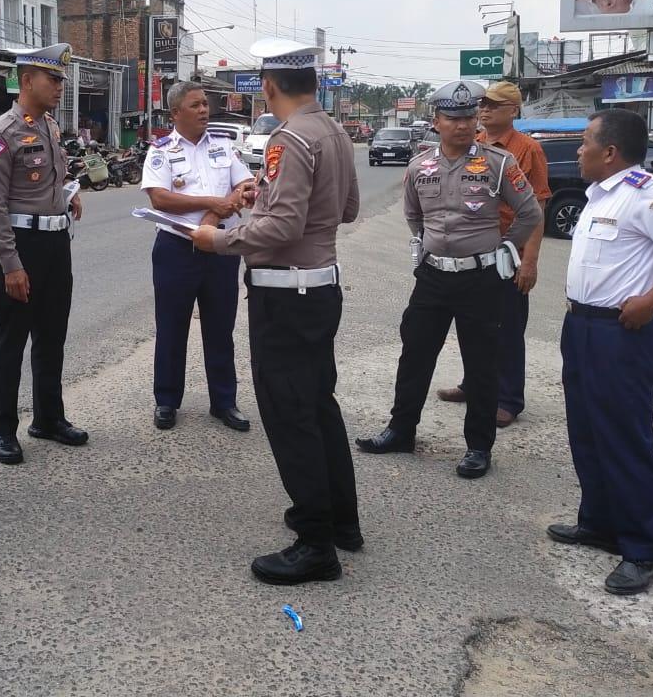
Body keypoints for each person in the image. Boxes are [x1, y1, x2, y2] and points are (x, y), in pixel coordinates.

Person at [190, 38, 360, 586]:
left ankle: (315, 545)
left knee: (290, 416)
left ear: (267, 85)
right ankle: (341, 521)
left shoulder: (289, 138)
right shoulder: (334, 131)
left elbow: (284, 226)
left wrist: (219, 240)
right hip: (319, 287)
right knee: (318, 406)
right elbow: (347, 208)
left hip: (286, 295)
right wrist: (263, 199)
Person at [550, 109, 653, 595]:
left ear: (609, 152)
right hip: (581, 327)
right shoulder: (599, 195)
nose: (578, 150)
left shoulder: (648, 194)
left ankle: (642, 552)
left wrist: (651, 301)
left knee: (624, 440)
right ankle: (599, 523)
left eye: (585, 142)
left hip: (621, 334)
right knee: (586, 431)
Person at [355, 80, 540, 479]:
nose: (463, 125)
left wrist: (507, 247)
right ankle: (401, 430)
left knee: (481, 364)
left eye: (469, 117)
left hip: (481, 278)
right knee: (415, 354)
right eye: (453, 118)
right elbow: (413, 214)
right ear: (436, 121)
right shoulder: (419, 166)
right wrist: (429, 245)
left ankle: (478, 446)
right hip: (433, 277)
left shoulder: (499, 163)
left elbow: (530, 212)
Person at [0, 43, 87, 465]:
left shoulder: (50, 126)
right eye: (53, 79)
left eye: (61, 79)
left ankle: (48, 418)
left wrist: (67, 194)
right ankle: (1, 429)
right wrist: (11, 265)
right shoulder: (1, 133)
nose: (60, 86)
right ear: (27, 81)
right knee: (11, 341)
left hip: (55, 245)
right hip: (20, 246)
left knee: (52, 336)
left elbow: (46, 180)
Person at [142, 80, 256, 432]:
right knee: (171, 327)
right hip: (176, 249)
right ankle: (166, 400)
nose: (204, 110)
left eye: (205, 103)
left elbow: (246, 185)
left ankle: (224, 402)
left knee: (220, 327)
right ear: (176, 113)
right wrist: (212, 203)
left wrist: (221, 210)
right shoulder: (161, 150)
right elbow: (159, 198)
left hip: (220, 247)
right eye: (195, 105)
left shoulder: (223, 146)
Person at [437, 81, 550, 426]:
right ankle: (473, 384)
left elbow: (538, 207)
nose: (484, 110)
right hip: (474, 251)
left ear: (513, 110)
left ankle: (508, 398)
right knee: (474, 324)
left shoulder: (527, 149)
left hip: (508, 252)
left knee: (507, 328)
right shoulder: (474, 144)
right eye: (482, 105)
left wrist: (529, 261)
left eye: (493, 105)